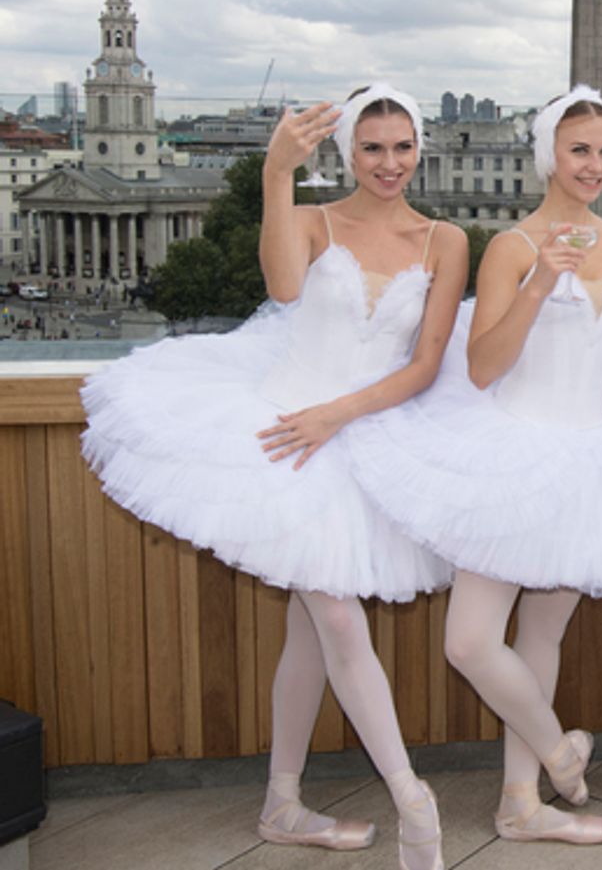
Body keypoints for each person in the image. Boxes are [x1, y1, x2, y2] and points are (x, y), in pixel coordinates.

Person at [82, 84, 468, 870]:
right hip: (282, 429)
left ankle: (281, 800)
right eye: (371, 147)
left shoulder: (445, 239)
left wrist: (340, 414)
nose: (388, 163)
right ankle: (411, 800)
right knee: (334, 620)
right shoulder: (314, 220)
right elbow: (284, 288)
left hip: (362, 433)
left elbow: (427, 364)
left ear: (418, 148)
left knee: (310, 626)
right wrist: (274, 173)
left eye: (401, 146)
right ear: (346, 152)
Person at [350, 85, 602, 847]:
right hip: (514, 451)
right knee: (471, 640)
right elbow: (481, 365)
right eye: (579, 150)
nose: (594, 165)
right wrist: (542, 279)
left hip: (593, 453)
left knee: (543, 630)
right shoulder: (513, 248)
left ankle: (521, 804)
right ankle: (558, 754)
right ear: (549, 153)